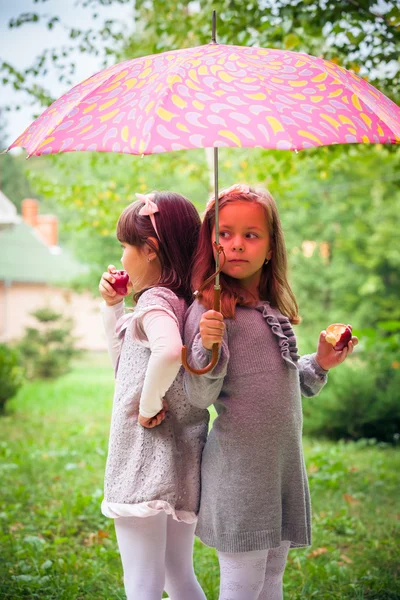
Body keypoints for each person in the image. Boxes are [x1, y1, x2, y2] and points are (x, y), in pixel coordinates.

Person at [183, 184, 358, 600]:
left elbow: (286, 383)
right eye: (224, 234)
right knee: (242, 588)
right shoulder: (209, 311)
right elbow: (199, 395)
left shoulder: (271, 311)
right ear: (211, 242)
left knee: (271, 583)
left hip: (279, 471)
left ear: (270, 245)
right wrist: (206, 344)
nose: (236, 244)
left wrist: (320, 363)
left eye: (250, 234)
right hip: (240, 476)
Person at [99, 191, 208, 600]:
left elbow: (166, 352)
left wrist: (147, 407)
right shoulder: (184, 302)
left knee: (142, 585)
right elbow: (126, 363)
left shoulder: (154, 302)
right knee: (177, 576)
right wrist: (113, 306)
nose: (122, 257)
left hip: (143, 465)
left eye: (125, 247)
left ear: (150, 250)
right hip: (180, 466)